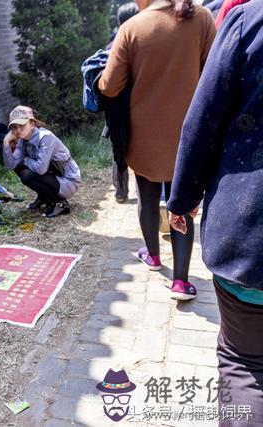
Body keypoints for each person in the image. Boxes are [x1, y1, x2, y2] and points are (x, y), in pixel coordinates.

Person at [168, 2, 263, 423]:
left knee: (244, 362)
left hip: (250, 242)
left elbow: (203, 120)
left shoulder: (249, 20)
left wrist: (183, 199)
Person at [98, 0, 216, 300]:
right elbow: (215, 76)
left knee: (147, 198)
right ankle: (180, 281)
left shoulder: (131, 28)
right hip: (188, 136)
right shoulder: (201, 19)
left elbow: (110, 87)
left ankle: (152, 257)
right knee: (182, 205)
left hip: (143, 136)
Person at [3, 106, 82, 218]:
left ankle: (61, 203)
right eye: (14, 127)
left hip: (67, 180)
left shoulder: (45, 137)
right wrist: (6, 142)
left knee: (27, 174)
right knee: (19, 167)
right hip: (52, 176)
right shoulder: (23, 140)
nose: (18, 130)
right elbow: (11, 165)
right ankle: (44, 196)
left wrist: (25, 159)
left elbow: (41, 169)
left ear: (32, 124)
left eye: (22, 125)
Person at [106, 2, 139, 203]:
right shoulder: (134, 43)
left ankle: (121, 191)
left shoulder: (111, 44)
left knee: (119, 149)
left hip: (115, 109)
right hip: (132, 106)